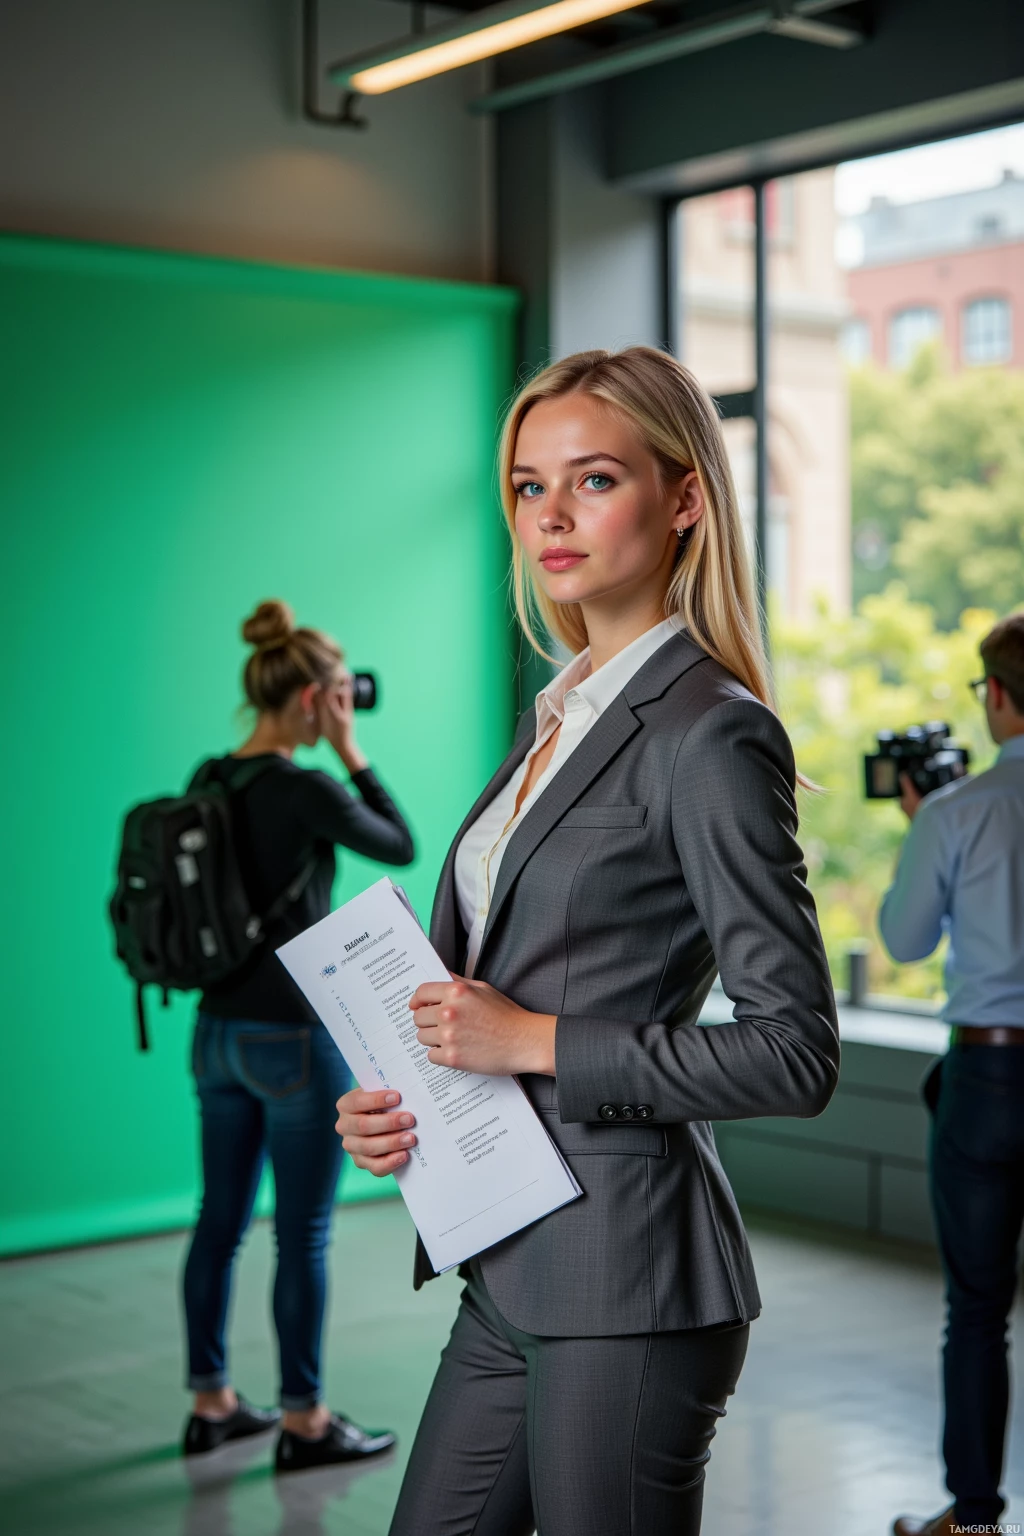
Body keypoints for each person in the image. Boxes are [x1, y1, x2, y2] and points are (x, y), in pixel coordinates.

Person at [335, 347, 841, 1536]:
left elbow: (794, 1050)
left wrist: (535, 1041)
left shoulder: (709, 733)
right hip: (508, 1259)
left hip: (630, 1279)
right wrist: (404, 1097)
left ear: (683, 499)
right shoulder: (559, 712)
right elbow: (505, 987)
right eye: (526, 485)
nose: (550, 515)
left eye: (593, 479)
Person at [181, 598, 415, 1474]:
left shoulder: (211, 776)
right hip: (290, 1038)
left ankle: (210, 1404)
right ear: (317, 699)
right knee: (301, 1235)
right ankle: (305, 1423)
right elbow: (398, 842)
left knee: (218, 1220)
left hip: (214, 1034)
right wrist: (354, 754)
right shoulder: (308, 787)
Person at [880, 613, 1024, 1536]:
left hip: (990, 1081)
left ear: (1000, 697)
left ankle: (973, 1520)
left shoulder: (957, 811)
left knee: (977, 1310)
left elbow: (902, 940)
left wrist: (921, 827)